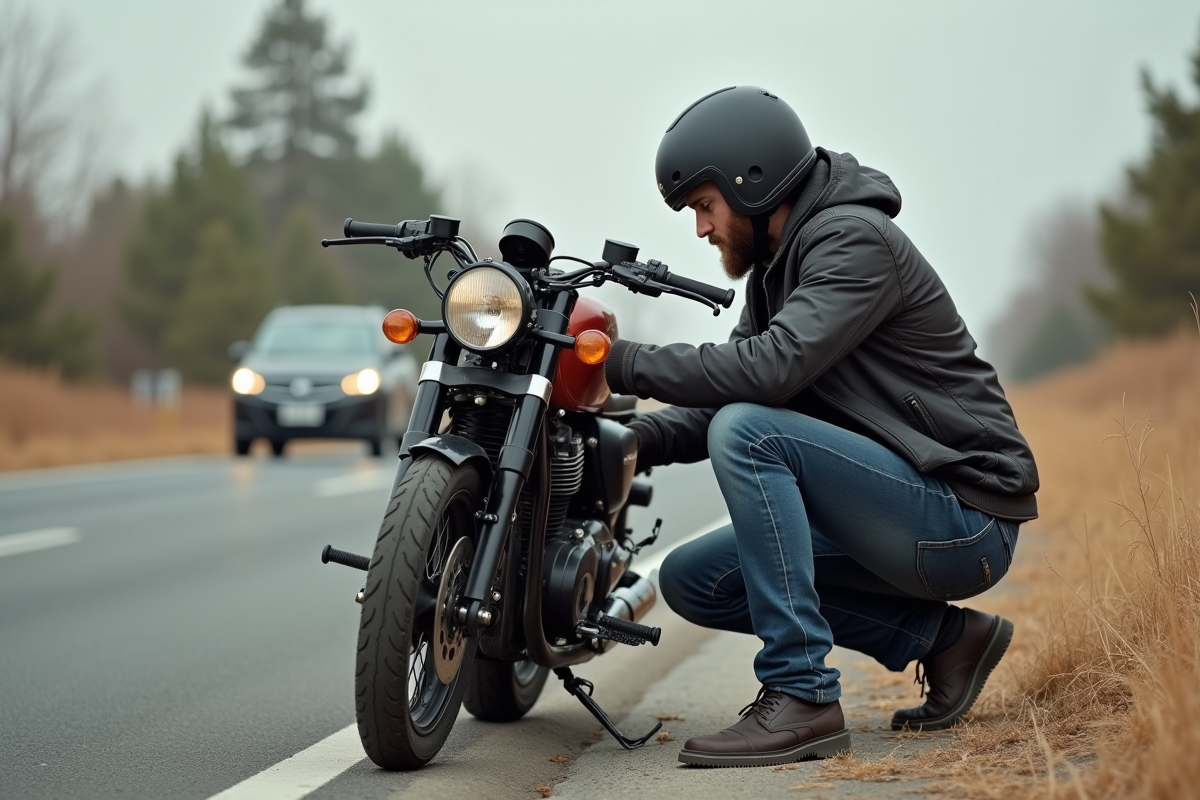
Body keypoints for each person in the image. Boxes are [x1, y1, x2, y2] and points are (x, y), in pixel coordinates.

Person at [604, 86, 1038, 768]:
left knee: (751, 432)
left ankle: (802, 692)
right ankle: (947, 641)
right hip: (902, 505)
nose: (700, 229)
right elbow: (729, 392)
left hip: (963, 515)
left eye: (704, 206)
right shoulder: (777, 272)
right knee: (695, 579)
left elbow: (769, 371)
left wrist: (625, 363)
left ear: (752, 183)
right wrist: (632, 438)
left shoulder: (852, 242)